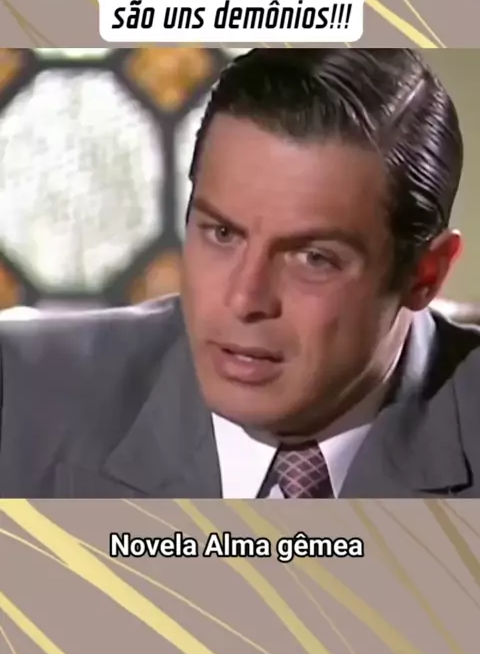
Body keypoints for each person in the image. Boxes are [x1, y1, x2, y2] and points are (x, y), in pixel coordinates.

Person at [1, 47, 480, 499]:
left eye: (313, 257)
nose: (244, 299)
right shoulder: (20, 395)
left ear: (425, 275)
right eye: (223, 234)